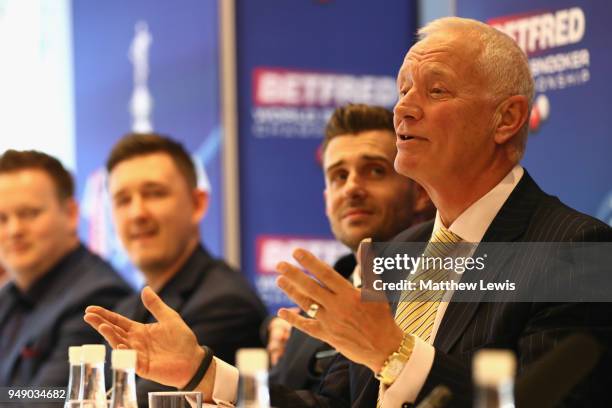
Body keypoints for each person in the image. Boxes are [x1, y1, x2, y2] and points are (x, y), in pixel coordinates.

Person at [84, 17, 612, 407]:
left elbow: (546, 400)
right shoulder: (398, 255)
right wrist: (202, 370)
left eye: (436, 90)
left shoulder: (576, 250)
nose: (403, 107)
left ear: (506, 119)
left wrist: (394, 351)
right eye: (403, 89)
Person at [266, 104, 434, 391]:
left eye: (375, 171)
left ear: (420, 192)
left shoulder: (448, 286)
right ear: (326, 199)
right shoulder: (323, 297)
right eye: (339, 176)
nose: (352, 188)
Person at [105, 134, 267, 405]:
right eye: (123, 200)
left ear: (198, 203)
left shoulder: (225, 304)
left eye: (154, 193)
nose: (137, 213)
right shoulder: (126, 306)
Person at [0, 150, 131, 387]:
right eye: (1, 218)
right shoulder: (7, 297)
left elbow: (49, 399)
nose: (14, 230)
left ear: (70, 214)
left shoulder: (98, 299)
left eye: (29, 214)